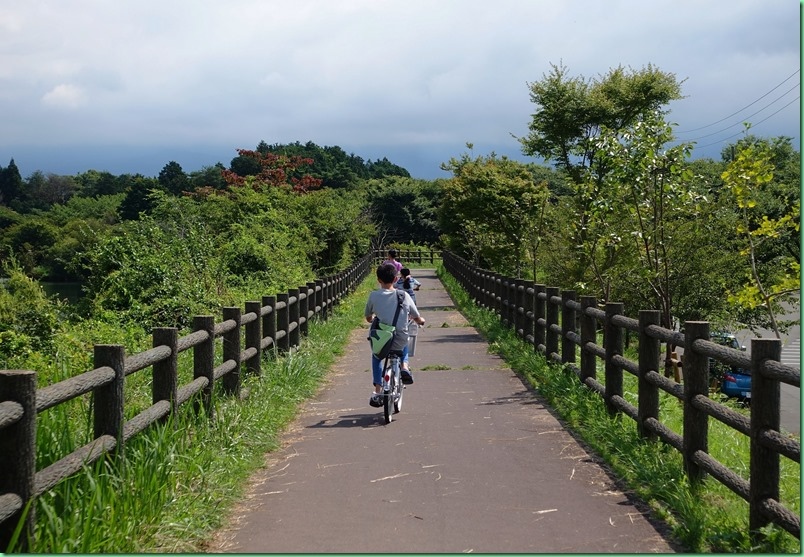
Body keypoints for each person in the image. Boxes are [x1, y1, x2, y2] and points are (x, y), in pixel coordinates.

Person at [365, 263, 425, 407]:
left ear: (378, 279)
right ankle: (404, 367)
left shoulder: (374, 295)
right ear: (395, 279)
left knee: (376, 356)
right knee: (403, 340)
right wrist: (420, 321)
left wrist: (373, 319)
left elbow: (368, 317)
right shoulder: (403, 295)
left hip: (382, 337)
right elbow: (416, 315)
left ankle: (378, 391)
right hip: (399, 337)